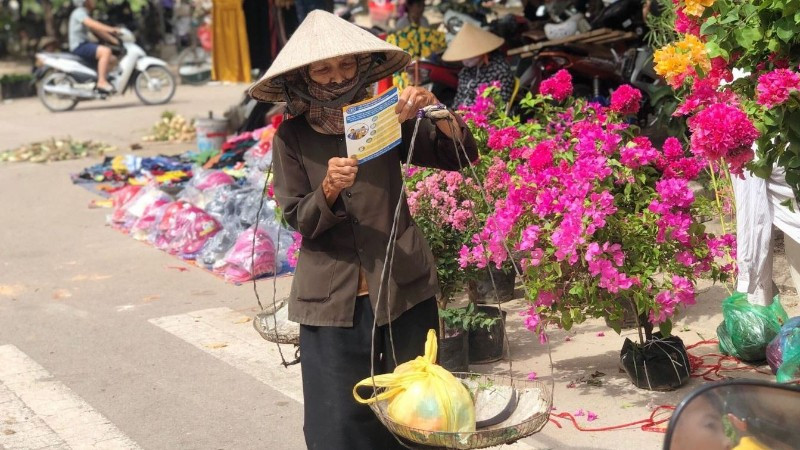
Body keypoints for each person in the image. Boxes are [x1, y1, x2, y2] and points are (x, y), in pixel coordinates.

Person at [248, 10, 478, 450]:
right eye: (323, 69)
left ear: (361, 67)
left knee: (417, 414)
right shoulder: (291, 138)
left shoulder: (384, 119)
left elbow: (456, 156)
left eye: (346, 65)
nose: (337, 77)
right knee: (339, 422)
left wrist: (435, 111)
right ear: (303, 77)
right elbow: (298, 217)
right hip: (332, 301)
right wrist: (328, 189)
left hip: (402, 288)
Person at [442, 23, 514, 108]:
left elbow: (500, 105)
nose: (464, 60)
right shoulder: (466, 71)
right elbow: (459, 98)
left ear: (482, 51)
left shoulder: (500, 70)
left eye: (468, 54)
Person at [68, 0, 119, 93]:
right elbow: (92, 24)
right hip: (79, 46)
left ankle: (98, 79)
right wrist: (111, 29)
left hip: (84, 44)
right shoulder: (79, 12)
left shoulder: (84, 13)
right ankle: (101, 82)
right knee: (105, 51)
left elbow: (97, 30)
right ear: (86, 1)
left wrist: (114, 40)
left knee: (112, 59)